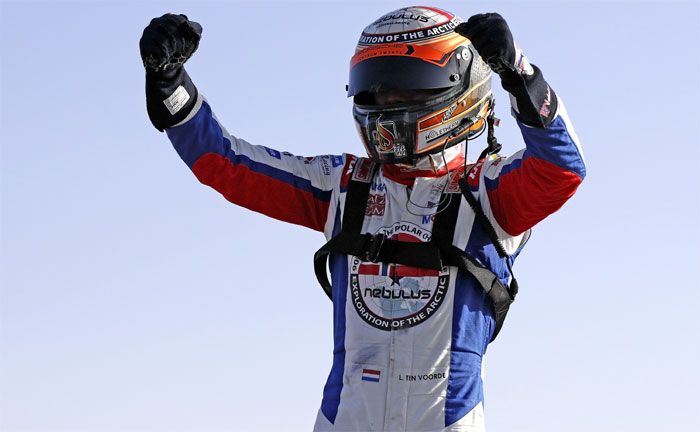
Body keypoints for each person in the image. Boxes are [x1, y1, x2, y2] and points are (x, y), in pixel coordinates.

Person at [140, 6, 585, 431]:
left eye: (406, 87)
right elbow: (225, 162)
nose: (388, 100)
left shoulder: (489, 193)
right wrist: (169, 83)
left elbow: (563, 168)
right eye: (377, 88)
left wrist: (519, 72)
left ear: (457, 89)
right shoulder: (343, 184)